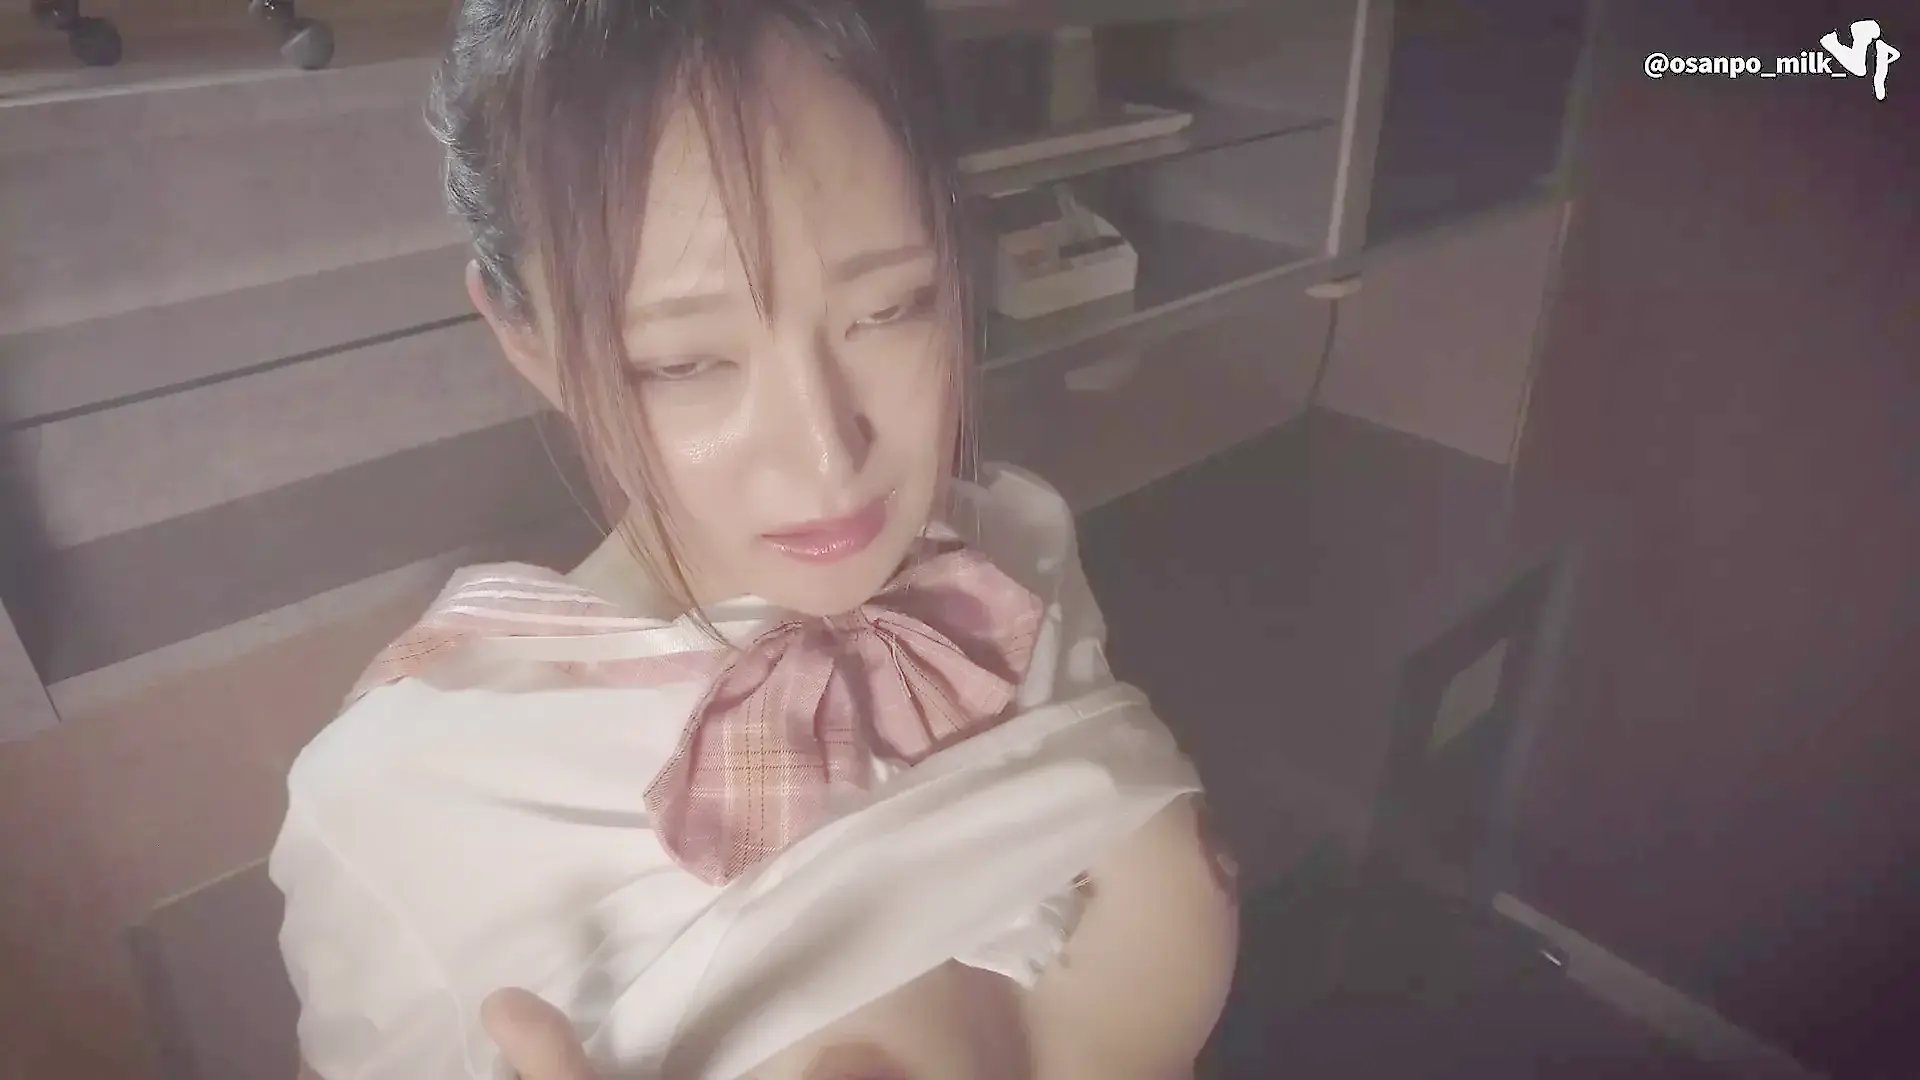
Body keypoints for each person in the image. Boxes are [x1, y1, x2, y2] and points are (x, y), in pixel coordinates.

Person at [268, 2, 1240, 1078]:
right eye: (684, 363)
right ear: (525, 339)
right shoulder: (406, 805)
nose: (827, 459)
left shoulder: (1008, 547)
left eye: (892, 307)